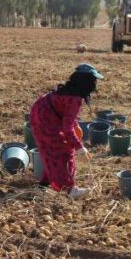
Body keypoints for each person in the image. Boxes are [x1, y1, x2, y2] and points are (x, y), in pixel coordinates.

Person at [29, 64, 102, 200]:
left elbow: (64, 112)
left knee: (51, 153)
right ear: (86, 82)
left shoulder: (68, 91)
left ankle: (42, 187)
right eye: (93, 81)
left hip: (39, 115)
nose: (95, 85)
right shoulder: (75, 99)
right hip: (45, 121)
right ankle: (71, 190)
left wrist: (76, 126)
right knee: (63, 152)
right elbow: (66, 129)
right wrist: (80, 147)